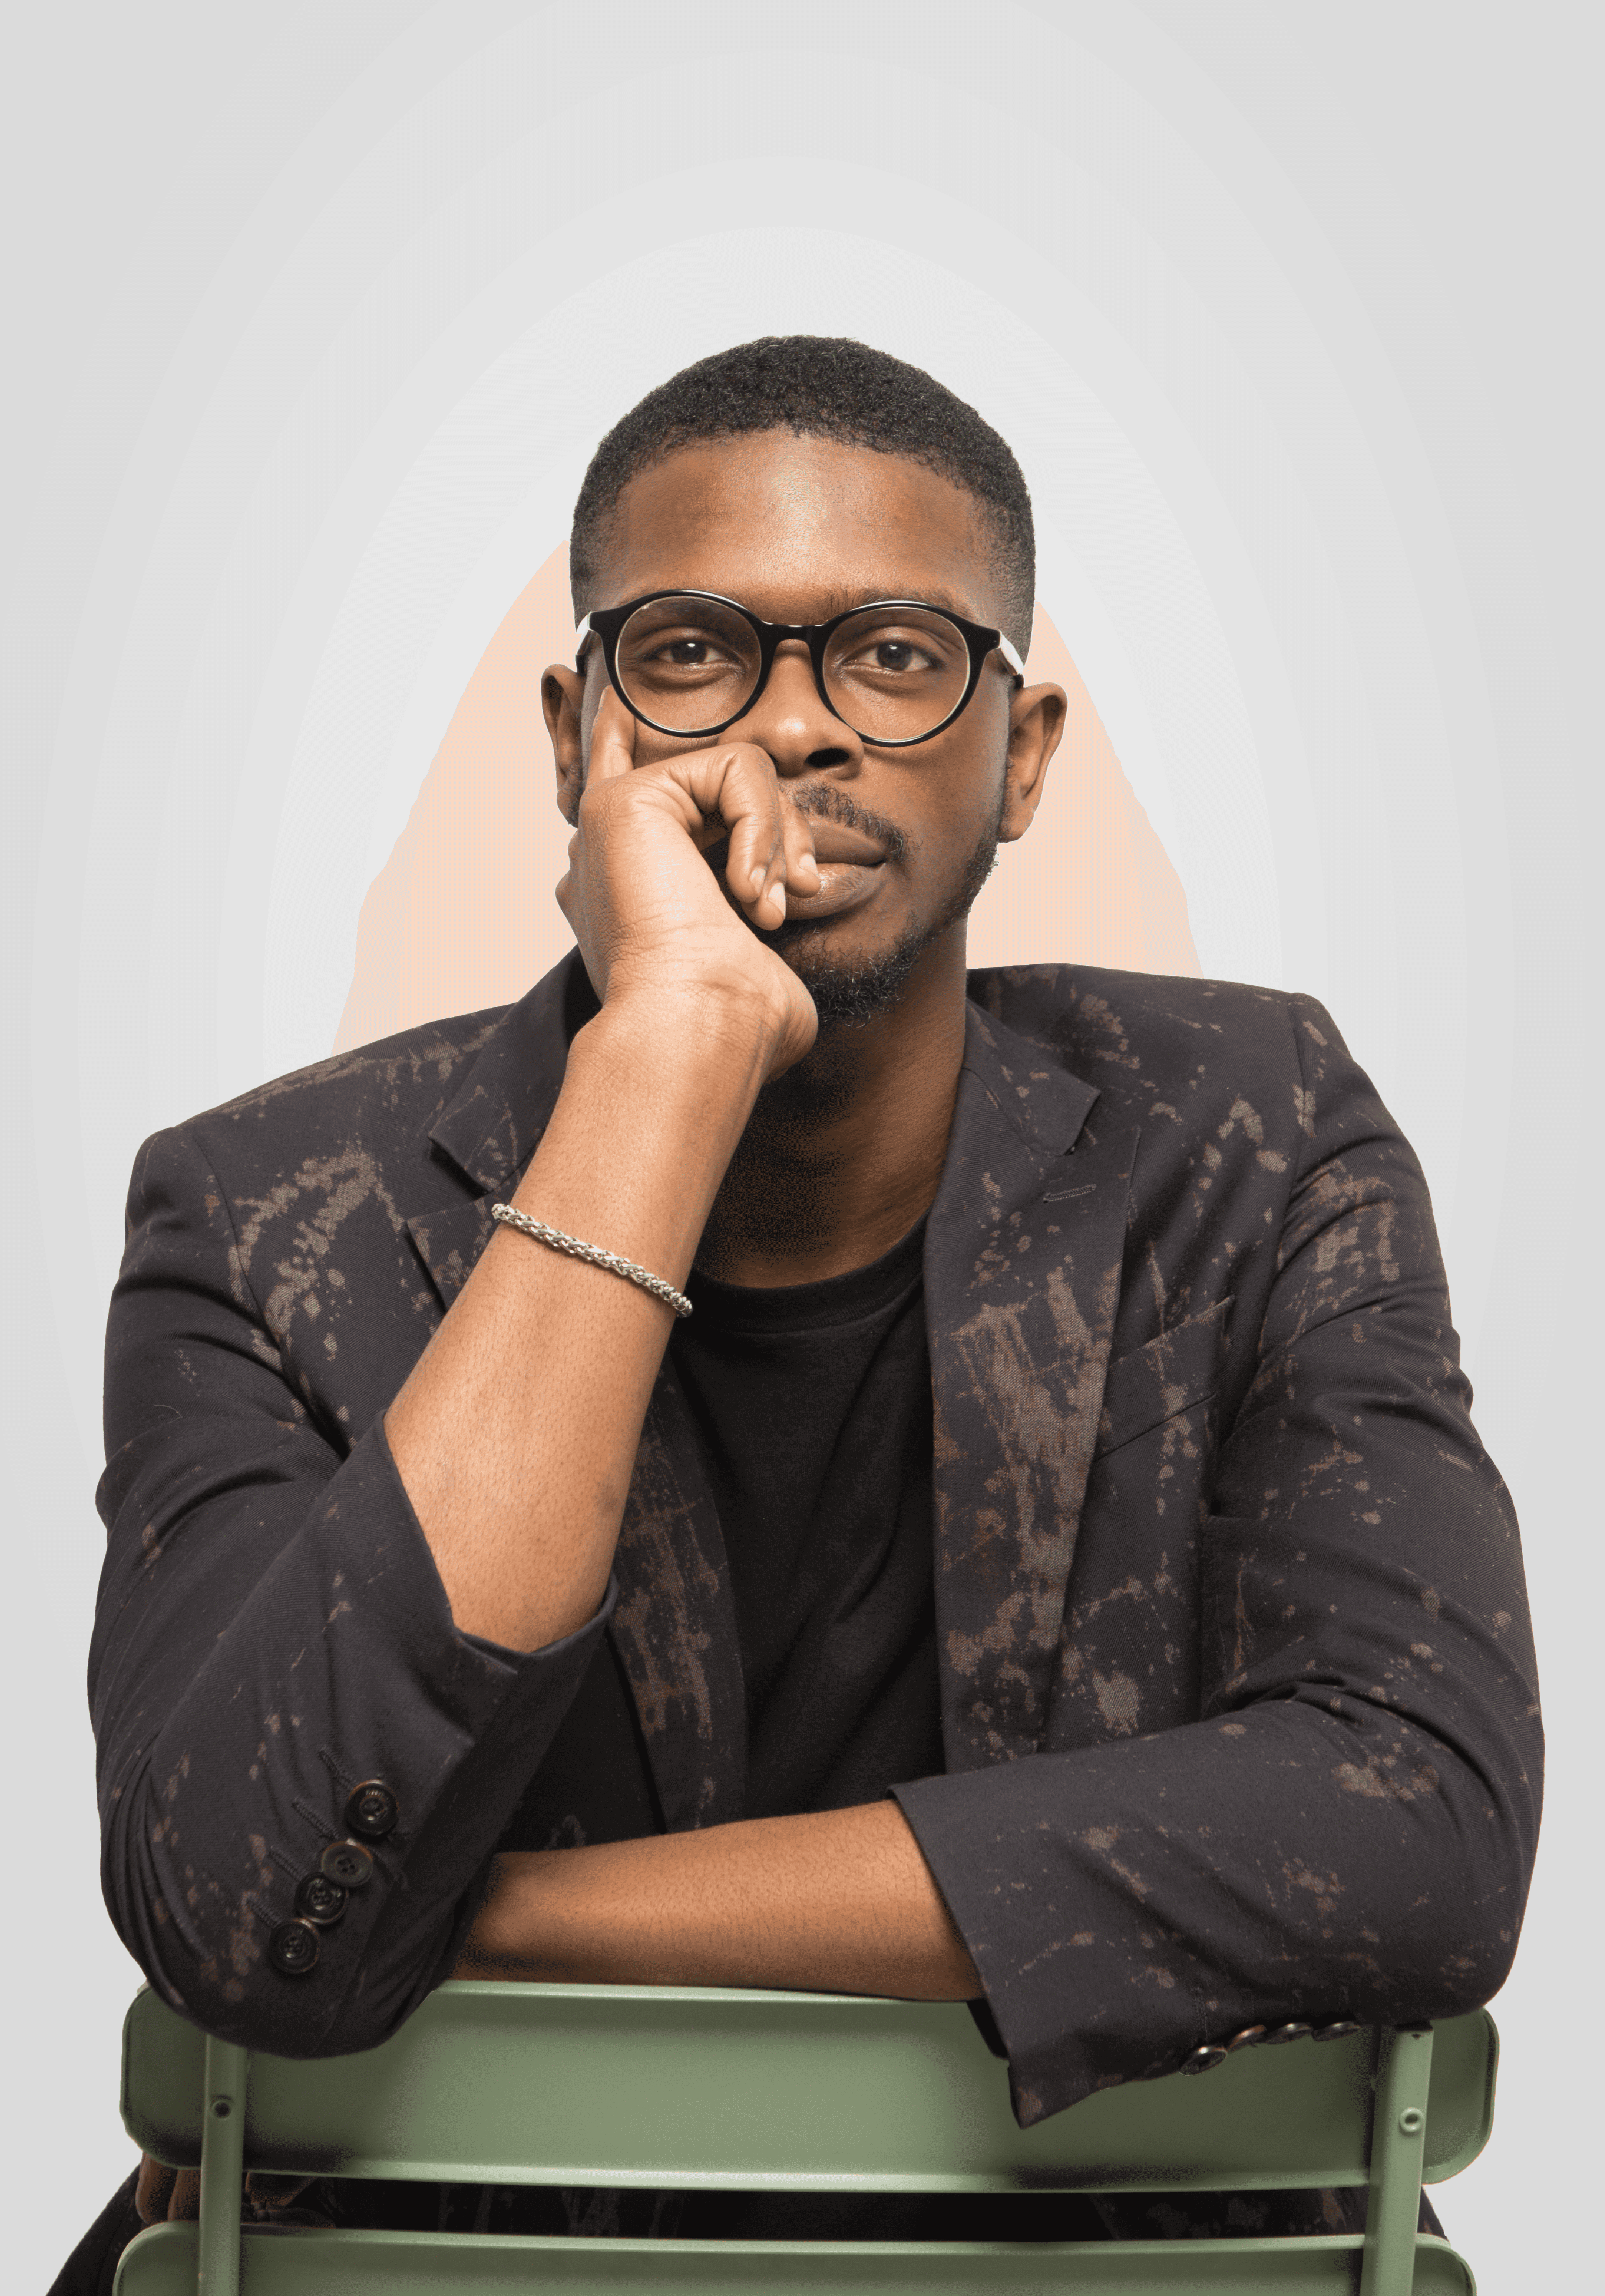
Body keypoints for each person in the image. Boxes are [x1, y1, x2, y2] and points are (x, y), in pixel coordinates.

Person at [58, 337, 1541, 2284]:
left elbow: (1409, 1819)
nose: (796, 731)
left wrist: (481, 1919)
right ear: (574, 738)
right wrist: (664, 1055)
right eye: (689, 652)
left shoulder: (1253, 1144)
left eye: (899, 655)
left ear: (1025, 755)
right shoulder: (262, 1219)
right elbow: (246, 1893)